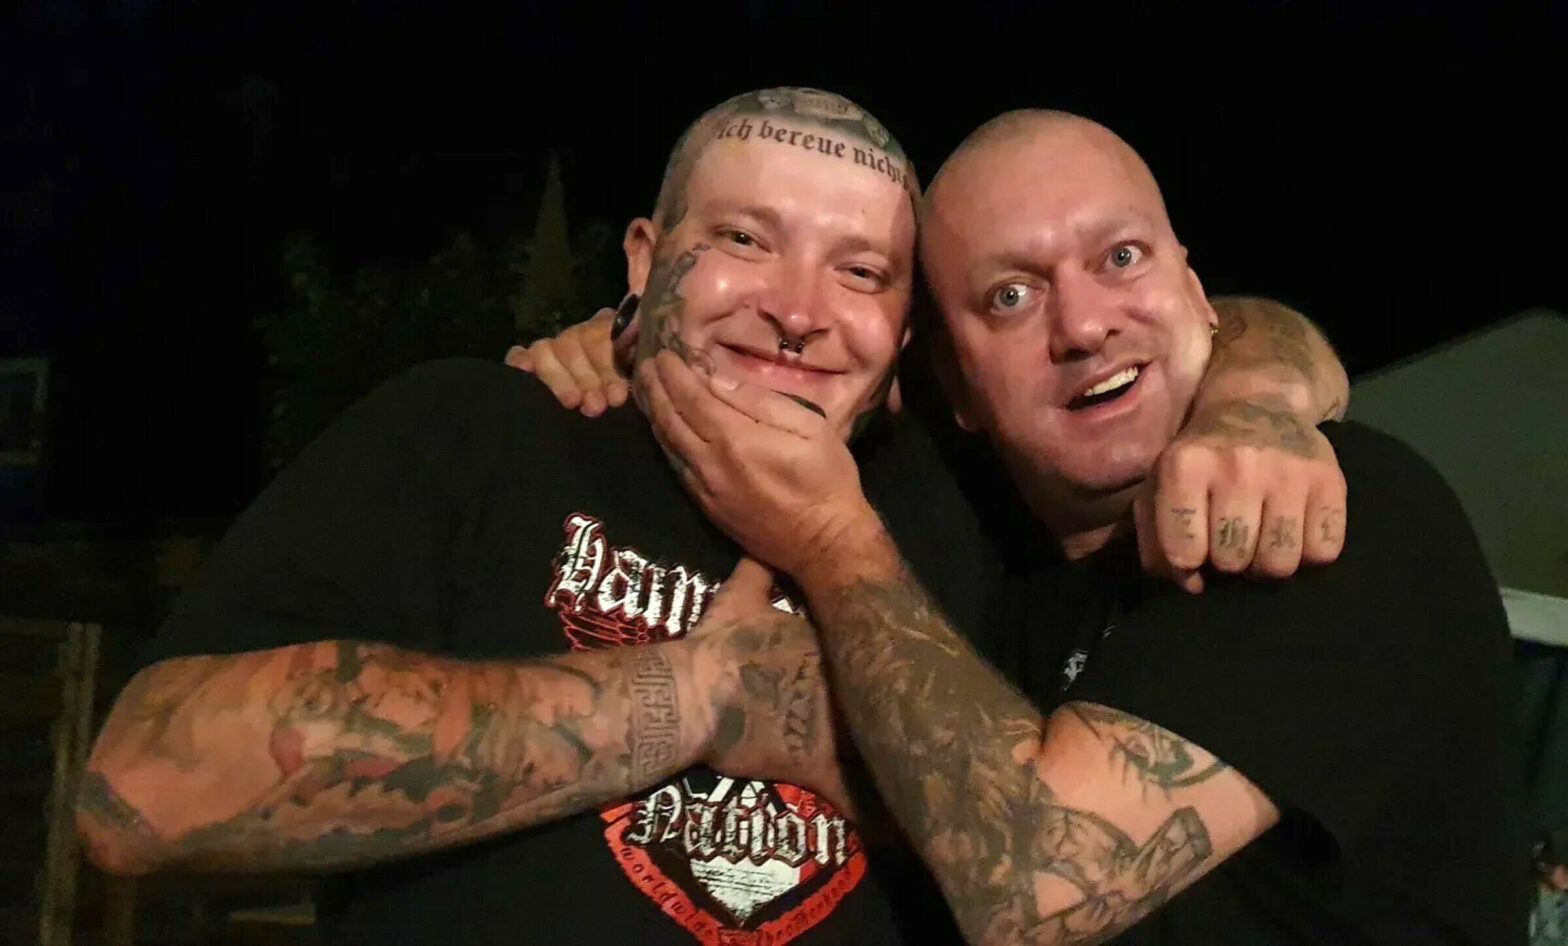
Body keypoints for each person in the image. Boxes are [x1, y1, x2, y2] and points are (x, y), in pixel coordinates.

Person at [76, 88, 1345, 946]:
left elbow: (1158, 334)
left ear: (905, 340)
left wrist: (1251, 402)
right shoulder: (474, 431)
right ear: (643, 260)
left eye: (860, 271)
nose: (797, 309)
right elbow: (139, 792)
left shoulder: (954, 495)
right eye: (745, 239)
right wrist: (688, 697)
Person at [632, 109, 1526, 944]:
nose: (1085, 326)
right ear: (955, 381)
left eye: (1121, 258)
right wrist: (623, 341)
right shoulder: (988, 536)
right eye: (1010, 297)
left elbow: (1035, 892)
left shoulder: (1330, 505)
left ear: (1198, 295)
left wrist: (830, 540)